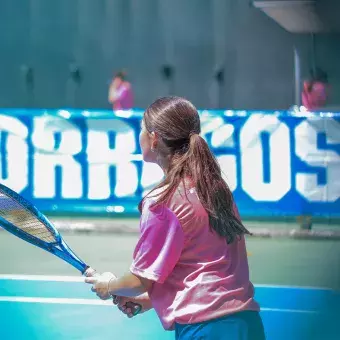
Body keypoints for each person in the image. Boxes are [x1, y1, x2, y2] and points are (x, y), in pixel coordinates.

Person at [85, 96, 265, 340]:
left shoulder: (162, 202)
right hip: (247, 326)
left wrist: (108, 285)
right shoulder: (215, 187)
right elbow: (202, 265)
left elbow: (140, 280)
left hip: (204, 330)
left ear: (155, 138)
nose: (139, 137)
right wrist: (150, 300)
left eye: (142, 130)